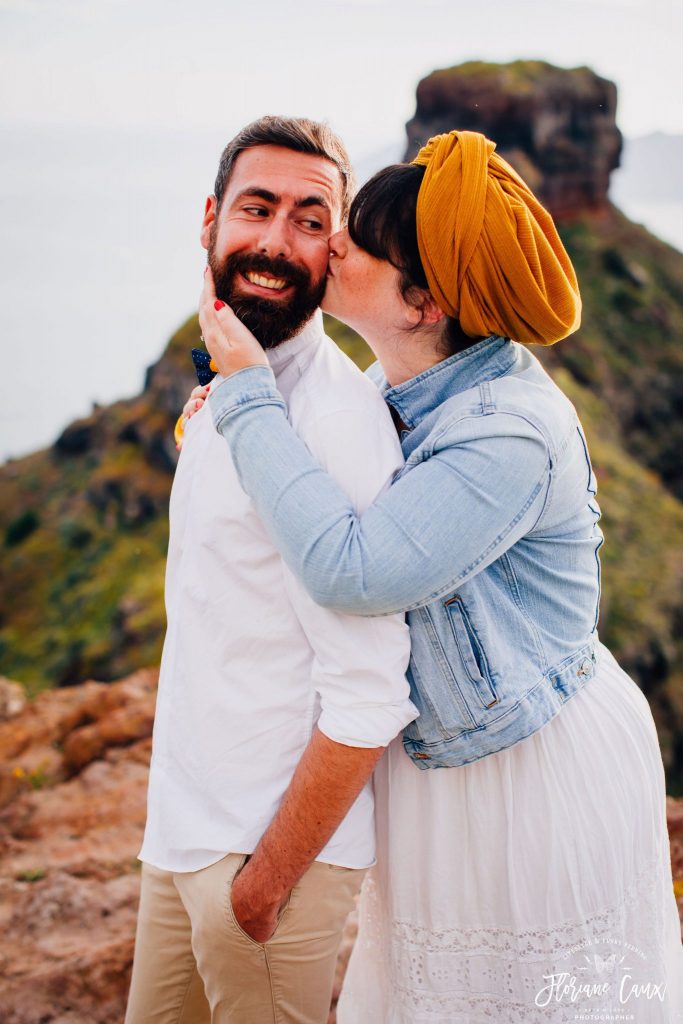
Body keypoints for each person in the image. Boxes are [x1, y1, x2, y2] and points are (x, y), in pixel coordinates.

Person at [192, 130, 683, 1021]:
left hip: (529, 774)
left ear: (421, 301)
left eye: (358, 242)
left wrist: (248, 396)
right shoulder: (410, 381)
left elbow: (353, 571)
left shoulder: (506, 431)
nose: (330, 242)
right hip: (452, 767)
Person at [125, 116, 418, 1024]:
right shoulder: (228, 380)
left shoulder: (335, 424)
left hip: (263, 864)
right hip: (181, 837)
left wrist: (265, 883)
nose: (274, 242)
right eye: (256, 209)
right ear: (210, 218)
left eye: (307, 218)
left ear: (335, 247)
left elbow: (370, 690)